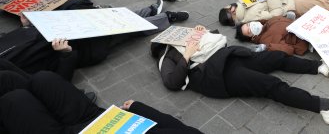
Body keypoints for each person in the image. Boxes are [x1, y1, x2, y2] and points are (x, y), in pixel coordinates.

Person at [151, 41, 329, 125]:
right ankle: (326, 107)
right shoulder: (165, 57)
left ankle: (316, 67)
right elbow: (172, 82)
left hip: (230, 57)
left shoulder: (184, 39)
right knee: (272, 85)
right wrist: (186, 55)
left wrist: (198, 34)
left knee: (275, 57)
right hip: (219, 75)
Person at [1, 0, 187, 81]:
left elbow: (22, 39)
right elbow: (57, 80)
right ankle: (166, 17)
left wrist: (25, 25)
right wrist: (66, 54)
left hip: (71, 25)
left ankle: (150, 11)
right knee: (126, 30)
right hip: (84, 44)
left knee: (113, 16)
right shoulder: (14, 75)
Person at [0, 70, 203, 133]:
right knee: (44, 79)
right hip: (105, 122)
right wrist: (138, 107)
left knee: (15, 101)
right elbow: (177, 128)